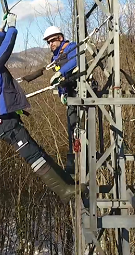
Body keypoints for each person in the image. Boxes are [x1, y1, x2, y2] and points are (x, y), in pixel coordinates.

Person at [0, 13, 75, 202]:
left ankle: (68, 184)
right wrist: (12, 28)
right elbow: (4, 50)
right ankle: (65, 192)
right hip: (5, 124)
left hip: (6, 122)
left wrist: (0, 31)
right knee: (33, 156)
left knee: (37, 151)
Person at [42, 26, 79, 175]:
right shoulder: (54, 59)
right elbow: (60, 81)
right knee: (72, 128)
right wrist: (61, 93)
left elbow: (77, 60)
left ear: (60, 38)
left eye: (52, 41)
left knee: (83, 127)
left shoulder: (72, 47)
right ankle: (73, 162)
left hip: (82, 91)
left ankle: (86, 159)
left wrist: (60, 72)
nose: (51, 44)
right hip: (70, 93)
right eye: (48, 42)